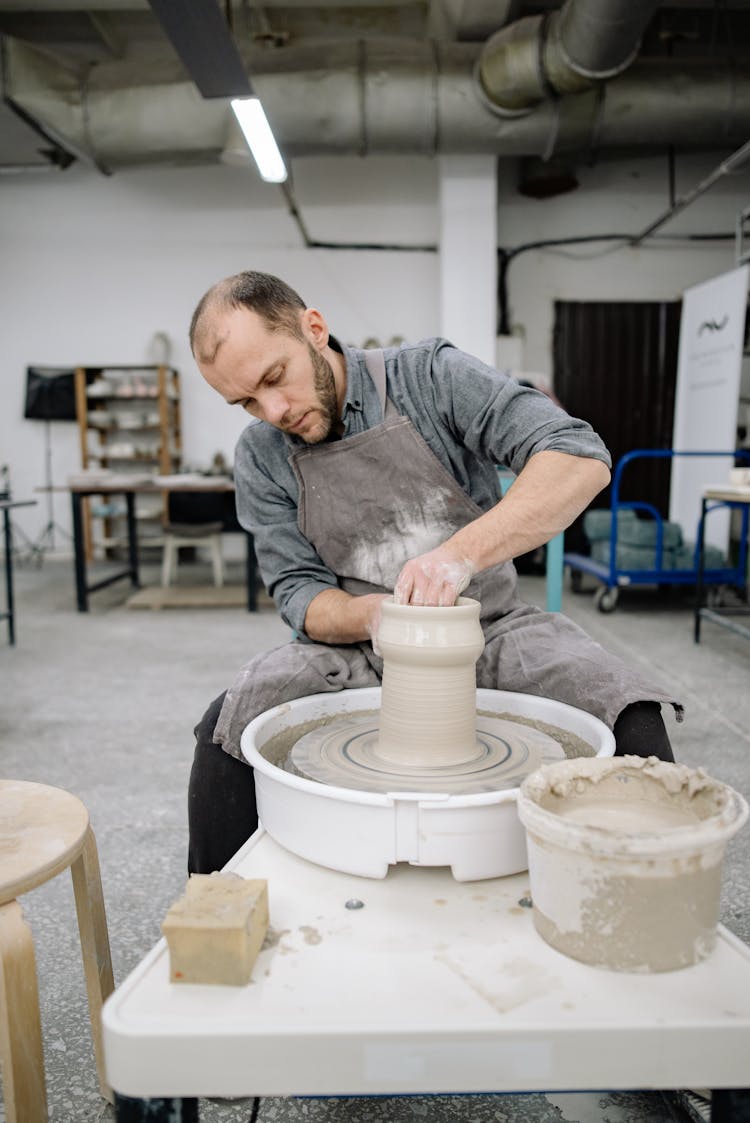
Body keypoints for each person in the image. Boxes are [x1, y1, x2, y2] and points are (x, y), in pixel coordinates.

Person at [187, 270, 680, 873]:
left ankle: (648, 898)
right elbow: (298, 592)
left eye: (274, 378)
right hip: (358, 647)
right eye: (246, 402)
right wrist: (383, 615)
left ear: (313, 329)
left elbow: (577, 456)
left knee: (629, 714)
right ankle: (214, 915)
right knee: (226, 730)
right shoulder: (261, 455)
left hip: (491, 626)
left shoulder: (429, 377)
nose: (274, 410)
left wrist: (457, 556)